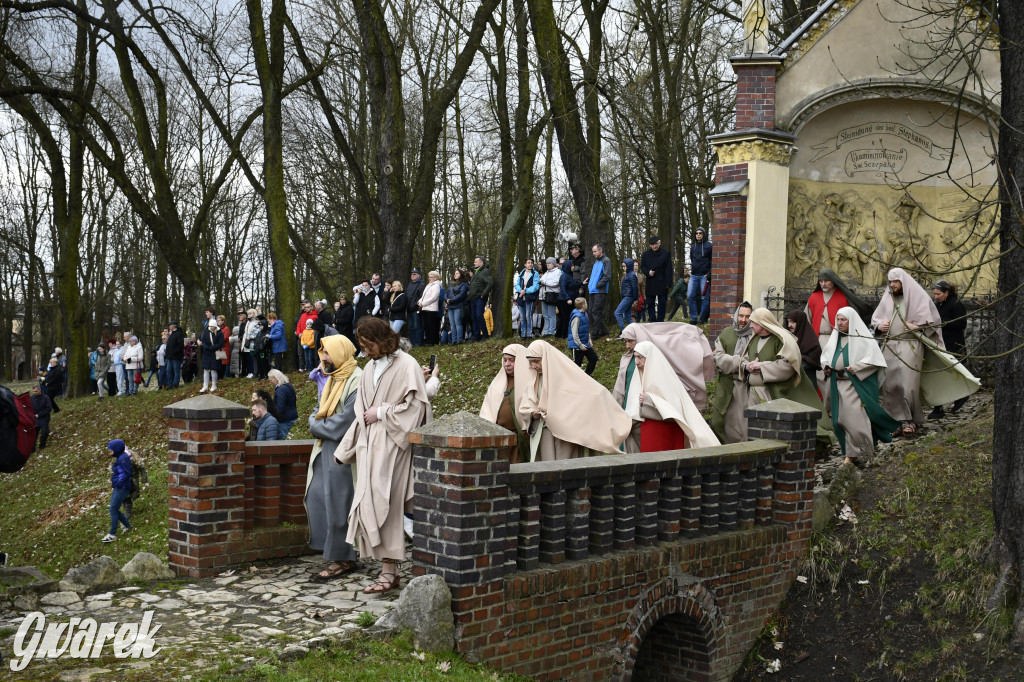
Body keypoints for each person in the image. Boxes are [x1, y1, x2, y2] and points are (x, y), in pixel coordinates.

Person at [337, 318, 432, 594]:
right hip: (369, 448)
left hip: (395, 447)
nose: (365, 351)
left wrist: (381, 413)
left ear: (384, 339)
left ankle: (391, 572)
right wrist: (345, 451)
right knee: (370, 504)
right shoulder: (368, 369)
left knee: (389, 506)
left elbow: (416, 408)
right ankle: (387, 571)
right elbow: (359, 416)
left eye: (369, 345)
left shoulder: (407, 365)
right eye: (363, 346)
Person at [872, 268, 978, 437]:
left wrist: (918, 327)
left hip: (911, 345)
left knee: (908, 385)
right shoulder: (887, 298)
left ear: (903, 282)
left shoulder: (918, 297)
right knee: (890, 385)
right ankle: (894, 421)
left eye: (895, 282)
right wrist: (878, 326)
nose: (892, 285)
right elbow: (876, 319)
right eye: (890, 282)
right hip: (891, 344)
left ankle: (910, 420)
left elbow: (934, 321)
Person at [713, 307, 833, 446]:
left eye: (753, 322)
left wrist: (762, 367)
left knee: (770, 428)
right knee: (752, 428)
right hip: (752, 392)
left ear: (763, 323)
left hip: (771, 393)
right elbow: (745, 358)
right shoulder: (753, 340)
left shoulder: (780, 340)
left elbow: (788, 365)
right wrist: (747, 365)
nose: (750, 325)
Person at [306, 334, 364, 581]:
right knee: (319, 498)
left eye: (327, 352)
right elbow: (320, 411)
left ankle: (343, 558)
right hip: (324, 449)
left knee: (340, 503)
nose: (323, 358)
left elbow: (344, 422)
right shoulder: (334, 378)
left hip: (344, 451)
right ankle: (332, 552)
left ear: (340, 352)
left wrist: (314, 424)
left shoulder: (357, 380)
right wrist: (316, 421)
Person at [520, 340, 631, 461]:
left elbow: (591, 394)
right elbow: (526, 405)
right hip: (544, 434)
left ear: (546, 358)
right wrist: (532, 414)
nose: (533, 366)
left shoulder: (565, 376)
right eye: (530, 362)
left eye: (536, 361)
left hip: (566, 437)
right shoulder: (533, 381)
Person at [821, 307, 901, 466]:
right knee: (838, 421)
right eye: (838, 319)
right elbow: (826, 356)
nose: (839, 323)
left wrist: (856, 367)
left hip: (855, 386)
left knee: (854, 420)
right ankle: (852, 454)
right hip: (837, 385)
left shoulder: (863, 338)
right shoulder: (835, 338)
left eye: (843, 319)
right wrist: (826, 366)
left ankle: (857, 454)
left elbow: (875, 361)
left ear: (851, 320)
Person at [621, 341, 720, 453]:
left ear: (649, 358)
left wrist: (649, 400)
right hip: (647, 433)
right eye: (635, 357)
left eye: (640, 357)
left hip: (664, 434)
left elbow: (675, 407)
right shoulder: (638, 374)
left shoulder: (663, 376)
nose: (636, 362)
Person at [615, 322, 715, 411]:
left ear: (639, 337)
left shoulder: (656, 359)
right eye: (625, 341)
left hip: (651, 409)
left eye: (630, 341)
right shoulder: (626, 360)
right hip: (630, 404)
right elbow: (621, 385)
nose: (627, 346)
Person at [804, 268, 872, 392]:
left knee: (833, 369)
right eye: (821, 281)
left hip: (836, 340)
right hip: (817, 340)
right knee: (819, 371)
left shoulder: (842, 297)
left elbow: (853, 318)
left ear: (834, 281)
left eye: (826, 281)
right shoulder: (814, 297)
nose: (823, 284)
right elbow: (807, 320)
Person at [479, 344, 532, 463]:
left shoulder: (530, 381)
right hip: (500, 440)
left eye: (512, 360)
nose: (507, 364)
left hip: (520, 440)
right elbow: (487, 408)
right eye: (505, 360)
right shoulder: (497, 382)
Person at [930, 280, 969, 418]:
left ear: (946, 293)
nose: (936, 296)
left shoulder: (956, 304)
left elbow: (962, 323)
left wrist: (943, 323)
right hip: (941, 344)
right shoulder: (938, 304)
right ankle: (937, 408)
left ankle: (961, 396)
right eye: (934, 294)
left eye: (938, 294)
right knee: (938, 375)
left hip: (954, 345)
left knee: (954, 373)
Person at [101, 439, 133, 543]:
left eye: (111, 449)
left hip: (122, 488)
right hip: (118, 486)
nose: (109, 451)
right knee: (114, 508)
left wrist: (119, 483)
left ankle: (112, 534)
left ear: (117, 449)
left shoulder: (122, 459)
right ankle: (128, 526)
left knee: (113, 510)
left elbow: (127, 473)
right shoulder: (120, 457)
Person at [640, 236, 673, 322]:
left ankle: (660, 320)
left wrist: (668, 283)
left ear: (660, 243)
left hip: (662, 281)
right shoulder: (646, 254)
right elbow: (643, 267)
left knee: (662, 303)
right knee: (650, 302)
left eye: (656, 243)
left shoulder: (666, 253)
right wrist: (648, 272)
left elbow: (669, 269)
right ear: (650, 245)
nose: (655, 246)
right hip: (650, 282)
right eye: (652, 244)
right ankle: (652, 320)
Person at [786, 310, 823, 382]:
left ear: (800, 323)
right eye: (788, 322)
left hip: (807, 379)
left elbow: (814, 360)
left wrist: (801, 359)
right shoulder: (788, 338)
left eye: (793, 322)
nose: (789, 325)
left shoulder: (811, 340)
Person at [584, 244, 612, 338]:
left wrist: (598, 285)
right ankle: (604, 330)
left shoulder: (606, 260)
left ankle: (596, 333)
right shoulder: (596, 262)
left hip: (600, 291)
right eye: (593, 251)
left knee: (596, 311)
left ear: (601, 251)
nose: (593, 253)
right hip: (592, 290)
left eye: (595, 251)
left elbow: (607, 276)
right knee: (592, 311)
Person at [568, 297, 599, 375]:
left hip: (585, 343)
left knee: (594, 358)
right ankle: (574, 381)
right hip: (577, 345)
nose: (587, 304)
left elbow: (585, 330)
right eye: (586, 303)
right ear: (583, 305)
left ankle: (586, 376)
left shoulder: (585, 314)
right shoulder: (577, 317)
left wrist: (589, 340)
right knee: (577, 365)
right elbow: (574, 333)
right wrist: (580, 345)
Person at [688, 228, 712, 324]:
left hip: (704, 276)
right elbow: (692, 259)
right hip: (693, 276)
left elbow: (713, 260)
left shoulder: (709, 246)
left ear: (704, 234)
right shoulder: (693, 247)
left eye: (700, 233)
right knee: (690, 296)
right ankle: (693, 319)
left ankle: (702, 319)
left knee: (704, 298)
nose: (698, 235)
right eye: (696, 233)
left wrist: (709, 274)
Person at [468, 256, 493, 341]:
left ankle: (485, 334)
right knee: (474, 317)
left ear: (481, 263)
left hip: (480, 297)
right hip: (473, 298)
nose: (474, 263)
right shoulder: (476, 272)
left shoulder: (485, 271)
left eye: (476, 262)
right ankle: (476, 336)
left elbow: (490, 283)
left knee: (479, 315)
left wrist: (483, 294)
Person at [513, 258, 540, 339]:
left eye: (531, 263)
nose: (530, 264)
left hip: (529, 297)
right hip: (521, 298)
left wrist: (525, 291)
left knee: (529, 316)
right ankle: (523, 334)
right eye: (528, 263)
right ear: (525, 264)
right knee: (523, 317)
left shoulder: (535, 274)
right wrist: (520, 290)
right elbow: (517, 285)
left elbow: (536, 286)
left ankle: (529, 334)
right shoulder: (521, 274)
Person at [268, 369, 298, 437]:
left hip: (285, 419)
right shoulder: (288, 385)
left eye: (271, 380)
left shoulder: (280, 390)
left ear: (276, 378)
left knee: (280, 439)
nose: (271, 383)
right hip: (291, 414)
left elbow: (280, 408)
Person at [198, 319, 224, 393]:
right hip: (207, 353)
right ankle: (205, 386)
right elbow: (204, 341)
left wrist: (212, 348)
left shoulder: (219, 333)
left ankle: (214, 384)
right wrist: (206, 347)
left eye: (212, 326)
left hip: (214, 353)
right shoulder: (207, 332)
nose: (211, 327)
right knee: (206, 370)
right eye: (210, 326)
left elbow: (220, 343)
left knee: (213, 369)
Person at [539, 257, 562, 336]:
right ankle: (547, 331)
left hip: (552, 295)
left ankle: (551, 331)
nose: (548, 265)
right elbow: (540, 281)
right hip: (543, 295)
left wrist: (544, 282)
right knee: (545, 314)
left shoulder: (557, 272)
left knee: (551, 314)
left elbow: (555, 283)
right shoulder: (547, 272)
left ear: (554, 264)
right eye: (547, 263)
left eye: (550, 263)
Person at [418, 270, 442, 346]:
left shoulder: (436, 286)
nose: (429, 278)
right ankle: (428, 341)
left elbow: (433, 297)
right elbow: (423, 296)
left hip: (431, 309)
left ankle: (432, 342)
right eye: (429, 277)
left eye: (431, 277)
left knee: (431, 326)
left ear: (435, 278)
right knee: (426, 326)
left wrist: (423, 303)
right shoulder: (428, 285)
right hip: (425, 308)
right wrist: (419, 302)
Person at [615, 258, 639, 331]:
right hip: (627, 296)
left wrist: (635, 298)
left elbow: (635, 287)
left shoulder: (631, 275)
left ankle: (623, 331)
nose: (624, 268)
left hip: (629, 297)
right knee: (627, 316)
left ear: (629, 266)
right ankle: (635, 331)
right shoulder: (628, 274)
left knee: (617, 313)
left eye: (625, 266)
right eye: (623, 266)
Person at [447, 268, 469, 344]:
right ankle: (454, 340)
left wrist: (451, 300)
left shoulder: (464, 284)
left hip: (458, 305)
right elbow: (446, 293)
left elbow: (462, 295)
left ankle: (459, 339)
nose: (455, 275)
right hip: (450, 306)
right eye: (455, 273)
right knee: (452, 324)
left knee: (458, 323)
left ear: (461, 275)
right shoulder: (451, 284)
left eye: (457, 273)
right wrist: (446, 299)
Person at [407, 269, 426, 346]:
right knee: (411, 327)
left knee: (417, 327)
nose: (413, 275)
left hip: (416, 308)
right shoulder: (410, 284)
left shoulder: (421, 284)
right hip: (409, 309)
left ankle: (418, 343)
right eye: (412, 274)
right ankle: (412, 343)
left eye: (415, 274)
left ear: (419, 275)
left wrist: (415, 304)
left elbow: (421, 296)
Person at [30, 385, 52, 450]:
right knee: (33, 435)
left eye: (36, 391)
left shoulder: (45, 397)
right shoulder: (31, 398)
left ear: (39, 390)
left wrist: (40, 414)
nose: (34, 392)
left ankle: (42, 445)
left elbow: (49, 408)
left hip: (44, 418)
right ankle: (32, 448)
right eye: (33, 391)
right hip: (35, 419)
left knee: (44, 433)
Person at [165, 321, 184, 388]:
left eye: (170, 325)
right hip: (169, 356)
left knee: (176, 370)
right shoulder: (171, 334)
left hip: (176, 356)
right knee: (168, 370)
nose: (169, 327)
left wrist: (175, 352)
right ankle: (170, 384)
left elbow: (180, 345)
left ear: (174, 326)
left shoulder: (178, 334)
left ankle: (175, 384)